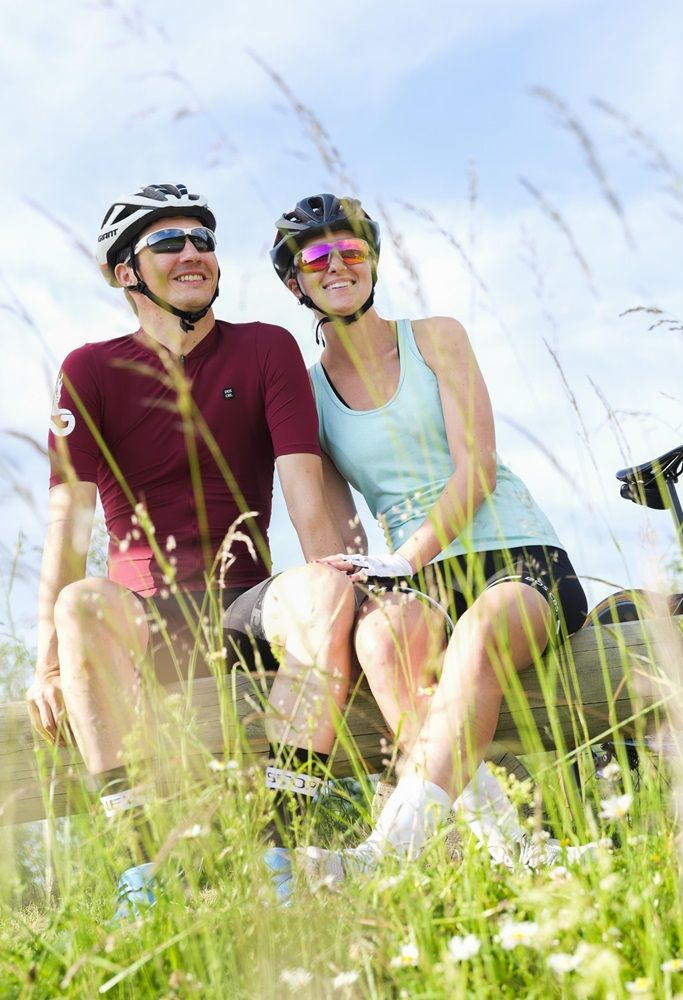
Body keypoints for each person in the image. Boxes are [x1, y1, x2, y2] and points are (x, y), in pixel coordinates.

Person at [27, 183, 355, 918]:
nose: (194, 254)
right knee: (82, 603)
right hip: (141, 613)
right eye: (169, 242)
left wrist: (341, 604)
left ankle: (281, 852)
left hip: (245, 603)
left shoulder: (265, 347)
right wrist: (47, 660)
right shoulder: (88, 370)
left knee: (327, 586)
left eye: (203, 240)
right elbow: (67, 528)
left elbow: (307, 501)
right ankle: (140, 871)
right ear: (125, 272)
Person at [267, 194, 592, 881]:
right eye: (317, 257)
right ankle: (529, 852)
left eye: (352, 250)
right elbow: (334, 529)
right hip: (413, 579)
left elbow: (478, 468)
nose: (337, 265)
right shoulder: (309, 393)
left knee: (479, 635)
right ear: (295, 282)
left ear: (374, 262)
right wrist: (350, 602)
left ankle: (388, 851)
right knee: (383, 640)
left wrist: (403, 560)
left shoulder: (436, 336)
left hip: (515, 554)